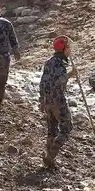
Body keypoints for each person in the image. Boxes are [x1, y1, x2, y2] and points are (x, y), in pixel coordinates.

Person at [38, 36, 74, 169]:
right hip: (58, 101)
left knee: (52, 130)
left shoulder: (48, 62)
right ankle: (50, 156)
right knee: (66, 128)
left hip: (48, 101)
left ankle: (49, 159)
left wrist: (42, 99)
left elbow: (43, 83)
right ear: (64, 49)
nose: (70, 50)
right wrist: (71, 74)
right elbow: (58, 81)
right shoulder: (59, 64)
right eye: (68, 48)